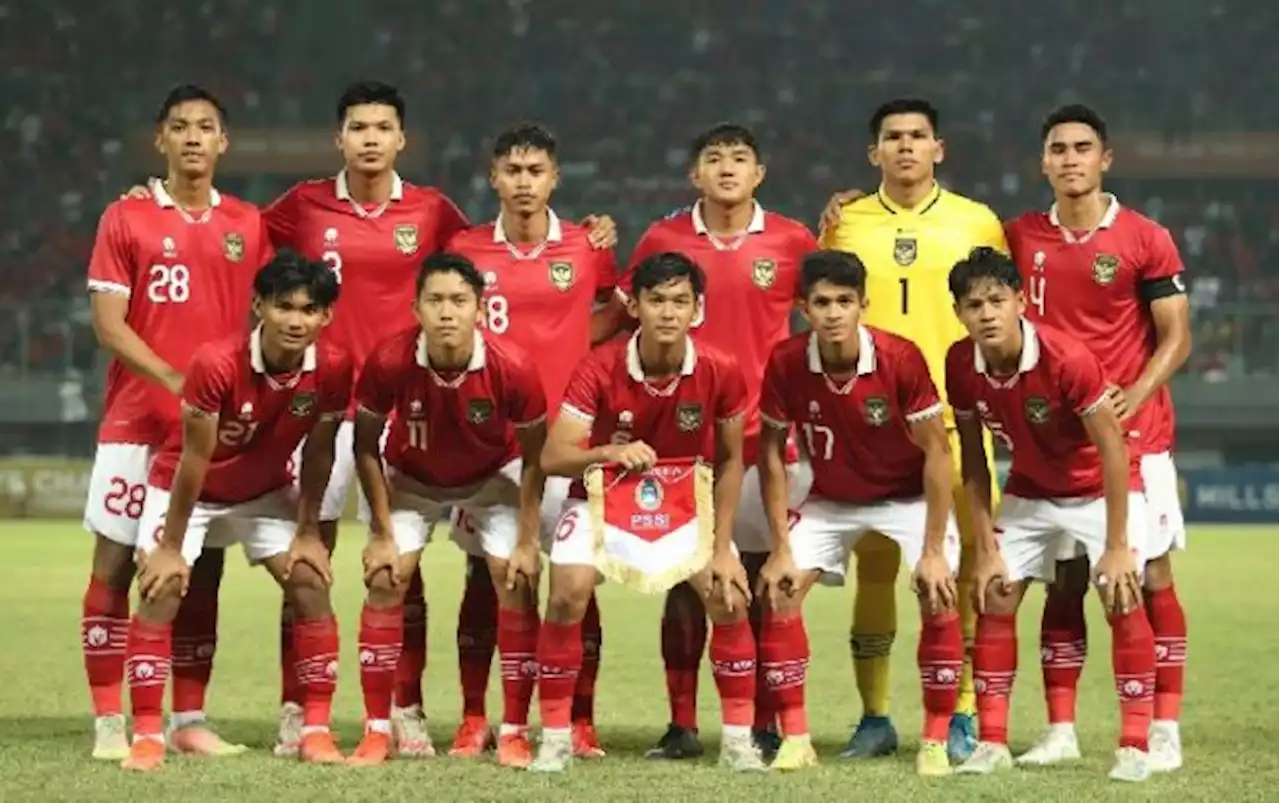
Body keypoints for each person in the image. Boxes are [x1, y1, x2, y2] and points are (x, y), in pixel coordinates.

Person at [123, 82, 618, 756]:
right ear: (341, 137)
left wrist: (590, 242)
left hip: (424, 407)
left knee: (479, 571)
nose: (370, 138)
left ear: (400, 139)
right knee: (312, 561)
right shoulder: (302, 205)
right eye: (358, 126)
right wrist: (156, 209)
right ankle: (300, 707)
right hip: (319, 407)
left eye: (383, 127)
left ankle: (414, 709)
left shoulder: (437, 213)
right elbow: (232, 234)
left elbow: (475, 275)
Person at [82, 84, 272, 761]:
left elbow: (273, 314)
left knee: (202, 571)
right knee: (112, 564)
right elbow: (109, 326)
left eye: (207, 127)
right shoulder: (125, 218)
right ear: (159, 140)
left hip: (212, 432)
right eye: (180, 127)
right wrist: (174, 380)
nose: (193, 137)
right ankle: (111, 718)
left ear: (223, 143)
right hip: (136, 422)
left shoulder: (249, 225)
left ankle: (188, 717)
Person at [816, 98, 1008, 762]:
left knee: (961, 574)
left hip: (956, 422)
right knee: (875, 572)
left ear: (939, 149)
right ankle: (875, 716)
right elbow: (823, 307)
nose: (905, 147)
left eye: (918, 136)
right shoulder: (844, 223)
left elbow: (1000, 307)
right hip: (870, 428)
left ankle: (961, 711)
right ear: (874, 153)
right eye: (893, 138)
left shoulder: (977, 221)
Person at [619, 123, 818, 761]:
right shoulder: (662, 238)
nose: (727, 168)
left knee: (759, 583)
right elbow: (627, 317)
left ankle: (760, 721)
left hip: (763, 441)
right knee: (684, 583)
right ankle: (682, 725)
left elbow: (823, 319)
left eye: (739, 159)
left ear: (759, 173)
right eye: (713, 158)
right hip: (678, 442)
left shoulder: (792, 240)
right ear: (694, 175)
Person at [1005, 104, 1191, 772]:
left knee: (1147, 575)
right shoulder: (1019, 237)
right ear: (1044, 162)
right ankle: (1061, 728)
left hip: (1138, 438)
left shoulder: (1145, 237)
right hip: (1053, 442)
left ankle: (1162, 724)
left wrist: (1133, 396)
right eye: (1058, 149)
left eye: (1083, 147)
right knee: (1064, 580)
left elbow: (1176, 336)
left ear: (1105, 158)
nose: (1070, 158)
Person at [531, 252, 764, 773]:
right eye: (656, 300)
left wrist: (723, 546)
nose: (667, 312)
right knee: (567, 592)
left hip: (683, 495)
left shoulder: (720, 369)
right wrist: (606, 453)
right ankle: (553, 737)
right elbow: (553, 456)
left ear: (697, 310)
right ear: (634, 305)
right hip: (600, 492)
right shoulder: (599, 365)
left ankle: (738, 741)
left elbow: (731, 460)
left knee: (728, 596)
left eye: (680, 301)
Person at [120, 251, 352, 771]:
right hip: (190, 491)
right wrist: (171, 547)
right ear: (258, 307)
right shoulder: (216, 361)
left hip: (264, 492)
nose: (296, 320)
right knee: (162, 588)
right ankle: (147, 736)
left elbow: (319, 452)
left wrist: (310, 531)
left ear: (326, 316)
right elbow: (194, 458)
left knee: (311, 582)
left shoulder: (335, 366)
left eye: (309, 309)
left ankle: (315, 731)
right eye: (283, 306)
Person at [944, 246, 1157, 783]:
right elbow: (973, 459)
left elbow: (1113, 449)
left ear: (1021, 301)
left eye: (997, 300)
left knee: (1119, 589)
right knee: (994, 592)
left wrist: (1114, 545)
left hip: (1096, 488)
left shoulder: (1066, 358)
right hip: (1032, 490)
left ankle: (1135, 746)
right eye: (974, 304)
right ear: (959, 312)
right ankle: (991, 742)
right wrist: (986, 549)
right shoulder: (958, 363)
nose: (987, 313)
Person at [443, 123, 620, 758]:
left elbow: (617, 312)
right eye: (512, 171)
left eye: (535, 171)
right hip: (490, 444)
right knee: (486, 579)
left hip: (570, 439)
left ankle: (579, 718)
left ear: (554, 178)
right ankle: (475, 716)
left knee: (577, 581)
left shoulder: (585, 246)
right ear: (494, 178)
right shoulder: (464, 249)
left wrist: (577, 343)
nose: (523, 182)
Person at [756, 250, 963, 776]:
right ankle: (796, 739)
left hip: (906, 497)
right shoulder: (784, 361)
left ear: (863, 305)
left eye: (844, 302)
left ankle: (935, 740)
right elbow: (771, 455)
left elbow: (939, 452)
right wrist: (781, 548)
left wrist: (935, 549)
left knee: (938, 589)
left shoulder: (900, 358)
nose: (832, 313)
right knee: (779, 589)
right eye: (821, 302)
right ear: (804, 307)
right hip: (830, 500)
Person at [347, 252, 548, 767]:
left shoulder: (514, 367)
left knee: (515, 580)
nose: (446, 312)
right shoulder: (390, 360)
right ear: (415, 308)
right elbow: (365, 446)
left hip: (491, 480)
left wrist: (527, 541)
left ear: (480, 309)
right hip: (413, 481)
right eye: (434, 300)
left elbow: (534, 460)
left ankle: (514, 731)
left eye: (459, 301)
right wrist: (381, 532)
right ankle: (376, 730)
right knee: (387, 578)